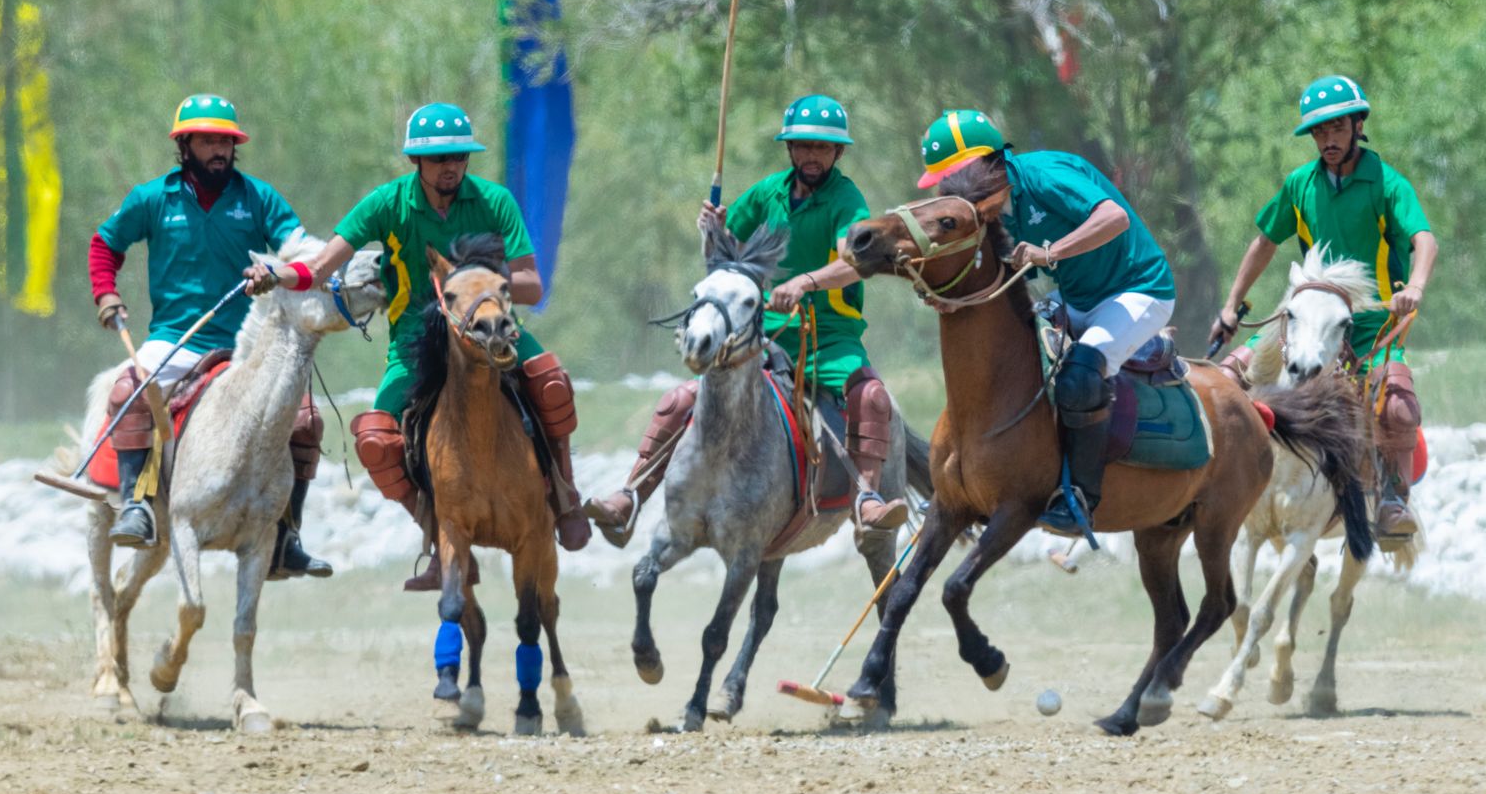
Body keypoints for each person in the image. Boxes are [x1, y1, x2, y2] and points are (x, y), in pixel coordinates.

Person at [245, 102, 590, 591]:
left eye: (458, 156)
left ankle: (565, 498)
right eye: (439, 158)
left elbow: (533, 284)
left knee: (551, 382)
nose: (451, 166)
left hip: (490, 329)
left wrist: (482, 279)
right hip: (415, 341)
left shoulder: (495, 201)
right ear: (417, 162)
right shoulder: (387, 203)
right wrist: (275, 275)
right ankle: (436, 537)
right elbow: (321, 268)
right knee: (374, 440)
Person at [585, 94, 909, 546]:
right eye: (802, 146)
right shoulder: (768, 192)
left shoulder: (845, 197)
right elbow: (724, 260)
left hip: (830, 339)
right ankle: (630, 495)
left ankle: (868, 500)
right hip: (764, 333)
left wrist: (804, 283)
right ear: (790, 149)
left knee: (870, 395)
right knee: (684, 397)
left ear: (838, 153)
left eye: (821, 147)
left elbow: (855, 260)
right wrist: (713, 230)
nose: (811, 155)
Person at [92, 93, 330, 578]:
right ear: (185, 144)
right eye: (207, 139)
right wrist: (106, 295)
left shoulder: (258, 197)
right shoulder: (152, 198)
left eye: (226, 140)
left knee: (307, 420)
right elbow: (104, 244)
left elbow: (301, 250)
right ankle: (137, 503)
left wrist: (277, 269)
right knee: (130, 389)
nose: (219, 148)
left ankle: (287, 535)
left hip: (247, 344)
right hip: (176, 338)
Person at [917, 109, 1177, 536]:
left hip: (1138, 289)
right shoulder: (991, 212)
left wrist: (1049, 253)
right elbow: (1002, 277)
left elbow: (1115, 218)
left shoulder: (1044, 174)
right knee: (1014, 368)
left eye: (951, 177)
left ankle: (1080, 498)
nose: (948, 189)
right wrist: (953, 301)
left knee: (1078, 378)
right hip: (1078, 296)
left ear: (981, 164)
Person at [1208, 75, 1436, 537]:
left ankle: (1392, 502)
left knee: (1398, 409)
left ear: (1357, 125)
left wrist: (1415, 284)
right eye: (1318, 132)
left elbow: (1424, 239)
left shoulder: (1386, 183)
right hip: (1306, 321)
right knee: (1225, 378)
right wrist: (1232, 304)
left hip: (1372, 327)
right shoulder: (1300, 185)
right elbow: (1264, 242)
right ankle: (1205, 482)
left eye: (1335, 129)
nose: (1327, 140)